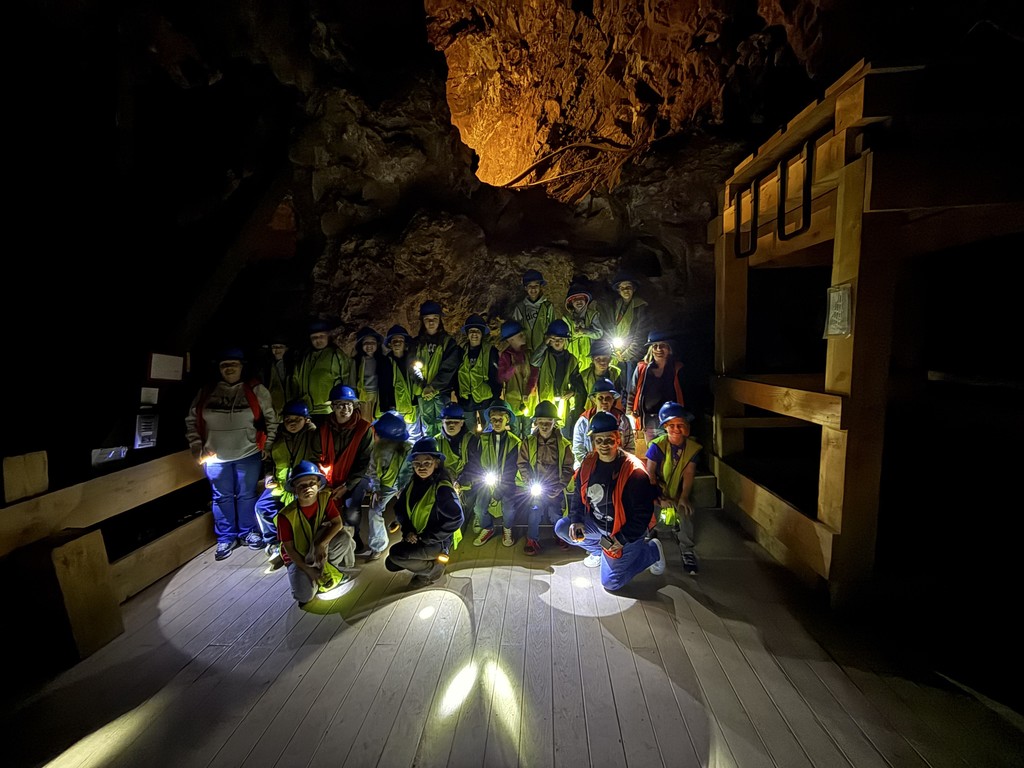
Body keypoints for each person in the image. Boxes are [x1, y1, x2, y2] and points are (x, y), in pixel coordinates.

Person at [554, 411, 666, 591]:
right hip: (598, 524)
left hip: (624, 530)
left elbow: (643, 515)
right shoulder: (589, 463)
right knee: (562, 528)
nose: (604, 445)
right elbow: (578, 495)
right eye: (599, 440)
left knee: (611, 582)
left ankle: (651, 551)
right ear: (593, 442)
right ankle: (600, 552)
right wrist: (576, 520)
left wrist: (621, 539)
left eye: (609, 439)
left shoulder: (634, 472)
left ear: (618, 439)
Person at [185, 346, 278, 561]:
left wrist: (269, 445)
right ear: (218, 368)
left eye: (233, 364)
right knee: (221, 497)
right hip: (214, 455)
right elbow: (191, 420)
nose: (229, 368)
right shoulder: (207, 391)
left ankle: (248, 532)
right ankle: (226, 537)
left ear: (241, 366)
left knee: (247, 495)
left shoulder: (254, 389)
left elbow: (272, 418)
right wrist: (197, 448)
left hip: (248, 452)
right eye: (224, 365)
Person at [384, 437, 464, 587]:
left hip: (436, 541)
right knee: (391, 563)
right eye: (417, 464)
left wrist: (428, 538)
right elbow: (400, 508)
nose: (422, 467)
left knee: (396, 554)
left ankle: (434, 570)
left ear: (436, 463)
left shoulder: (442, 488)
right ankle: (426, 562)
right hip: (417, 536)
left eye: (427, 463)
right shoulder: (413, 482)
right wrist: (408, 531)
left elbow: (457, 518)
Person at [275, 461, 355, 606]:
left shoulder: (324, 499)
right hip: (298, 557)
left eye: (312, 483)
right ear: (294, 489)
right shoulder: (285, 516)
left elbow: (338, 523)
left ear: (318, 485)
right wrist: (307, 570)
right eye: (302, 486)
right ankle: (316, 573)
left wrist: (321, 544)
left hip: (317, 547)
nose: (308, 488)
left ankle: (327, 566)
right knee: (304, 596)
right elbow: (289, 549)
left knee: (344, 537)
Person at [254, 399, 320, 562]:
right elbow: (269, 461)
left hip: (302, 484)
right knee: (262, 507)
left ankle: (300, 544)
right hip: (281, 484)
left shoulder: (313, 435)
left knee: (298, 512)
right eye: (288, 419)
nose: (292, 423)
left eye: (297, 419)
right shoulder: (276, 437)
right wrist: (269, 476)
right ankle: (274, 542)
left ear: (306, 419)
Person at [646, 402, 703, 575]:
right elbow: (650, 474)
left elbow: (688, 473)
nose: (676, 429)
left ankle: (687, 550)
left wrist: (684, 496)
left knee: (685, 509)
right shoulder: (657, 446)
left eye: (680, 425)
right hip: (657, 489)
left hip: (677, 490)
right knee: (646, 505)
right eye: (671, 425)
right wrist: (659, 497)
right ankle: (648, 538)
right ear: (665, 427)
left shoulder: (691, 448)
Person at [317, 383, 374, 555]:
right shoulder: (323, 427)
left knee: (351, 508)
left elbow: (365, 462)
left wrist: (347, 485)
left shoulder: (364, 429)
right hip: (329, 475)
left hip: (357, 476)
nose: (345, 408)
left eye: (349, 404)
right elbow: (316, 453)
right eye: (340, 404)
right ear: (333, 407)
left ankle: (353, 537)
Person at [516, 400, 574, 555]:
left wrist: (560, 486)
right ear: (536, 422)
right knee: (534, 510)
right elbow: (522, 464)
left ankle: (560, 535)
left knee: (556, 512)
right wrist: (529, 481)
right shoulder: (528, 442)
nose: (545, 425)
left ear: (555, 422)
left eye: (548, 421)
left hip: (556, 487)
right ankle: (532, 539)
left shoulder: (564, 444)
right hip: (536, 487)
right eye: (541, 422)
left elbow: (568, 467)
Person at [468, 400, 522, 547]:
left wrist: (500, 488)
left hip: (507, 484)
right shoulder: (483, 440)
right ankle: (488, 527)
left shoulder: (515, 442)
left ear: (507, 420)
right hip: (487, 482)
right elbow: (477, 461)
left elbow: (513, 468)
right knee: (479, 507)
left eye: (500, 419)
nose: (497, 423)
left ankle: (507, 528)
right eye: (493, 420)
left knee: (509, 509)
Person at [363, 410, 415, 560]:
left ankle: (409, 537)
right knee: (373, 511)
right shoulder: (377, 451)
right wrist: (376, 490)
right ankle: (378, 545)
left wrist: (405, 489)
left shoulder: (408, 450)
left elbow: (411, 472)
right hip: (384, 486)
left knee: (410, 509)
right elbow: (373, 472)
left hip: (404, 485)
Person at [410, 300, 460, 441]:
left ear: (440, 320)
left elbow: (449, 366)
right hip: (423, 392)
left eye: (434, 319)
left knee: (442, 423)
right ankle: (428, 452)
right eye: (427, 319)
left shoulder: (448, 342)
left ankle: (441, 455)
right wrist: (424, 386)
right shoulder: (416, 343)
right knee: (427, 425)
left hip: (440, 392)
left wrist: (433, 387)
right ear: (422, 321)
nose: (431, 322)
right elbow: (412, 366)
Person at [627, 331, 686, 445]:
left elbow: (684, 393)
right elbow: (632, 392)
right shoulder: (642, 368)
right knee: (652, 452)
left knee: (670, 452)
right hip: (648, 420)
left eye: (662, 345)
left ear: (669, 349)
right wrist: (630, 415)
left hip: (670, 421)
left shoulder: (676, 368)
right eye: (655, 346)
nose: (658, 349)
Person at [294, 319, 355, 427]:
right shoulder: (305, 357)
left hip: (328, 410)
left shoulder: (336, 355)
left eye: (321, 336)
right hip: (307, 409)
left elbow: (347, 378)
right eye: (314, 337)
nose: (318, 340)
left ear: (328, 337)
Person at [432, 402, 481, 523]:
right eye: (448, 422)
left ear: (462, 422)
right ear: (442, 422)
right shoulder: (436, 441)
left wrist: (459, 481)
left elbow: (474, 465)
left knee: (464, 511)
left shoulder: (471, 440)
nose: (451, 425)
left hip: (467, 484)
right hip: (445, 484)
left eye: (455, 422)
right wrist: (448, 481)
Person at [571, 377, 635, 469]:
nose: (604, 401)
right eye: (600, 398)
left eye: (608, 398)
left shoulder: (622, 420)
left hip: (617, 466)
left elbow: (630, 446)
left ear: (613, 399)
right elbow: (578, 450)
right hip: (588, 467)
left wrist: (623, 466)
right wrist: (590, 467)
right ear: (594, 399)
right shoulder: (583, 421)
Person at [530, 318, 580, 432]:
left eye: (561, 339)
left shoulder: (571, 359)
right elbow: (533, 361)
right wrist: (544, 344)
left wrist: (573, 391)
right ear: (549, 340)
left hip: (563, 401)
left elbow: (576, 380)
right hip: (545, 402)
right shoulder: (544, 356)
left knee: (563, 432)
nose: (557, 342)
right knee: (545, 431)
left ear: (566, 340)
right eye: (554, 339)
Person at [454, 313, 500, 433]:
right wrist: (459, 395)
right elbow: (455, 374)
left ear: (482, 333)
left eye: (477, 331)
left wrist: (495, 397)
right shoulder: (460, 350)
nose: (474, 334)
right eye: (471, 331)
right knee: (470, 433)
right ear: (467, 333)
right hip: (466, 400)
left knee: (488, 432)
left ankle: (488, 451)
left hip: (486, 399)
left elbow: (496, 375)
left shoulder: (491, 351)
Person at [496, 320, 538, 439]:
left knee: (527, 431)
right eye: (520, 335)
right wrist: (513, 368)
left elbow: (534, 374)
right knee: (514, 431)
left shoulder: (529, 353)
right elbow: (501, 377)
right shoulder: (506, 356)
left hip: (529, 400)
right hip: (513, 401)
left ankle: (526, 454)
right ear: (510, 339)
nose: (524, 336)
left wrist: (528, 391)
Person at [607, 272, 649, 388]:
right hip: (619, 353)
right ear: (618, 290)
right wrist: (616, 351)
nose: (626, 290)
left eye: (628, 287)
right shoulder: (617, 305)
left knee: (631, 385)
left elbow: (640, 333)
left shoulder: (640, 306)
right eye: (622, 288)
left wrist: (627, 354)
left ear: (634, 289)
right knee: (620, 384)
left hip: (633, 355)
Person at [510, 268, 556, 356]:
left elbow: (552, 328)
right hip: (525, 351)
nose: (533, 289)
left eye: (536, 285)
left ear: (540, 287)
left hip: (543, 350)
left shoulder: (547, 306)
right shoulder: (520, 307)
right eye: (530, 286)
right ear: (525, 288)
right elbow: (516, 331)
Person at [562, 278, 604, 372]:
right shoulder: (567, 319)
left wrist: (584, 332)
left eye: (581, 299)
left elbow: (599, 333)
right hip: (572, 356)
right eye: (575, 300)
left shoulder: (592, 315)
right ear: (571, 303)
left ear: (586, 300)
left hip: (589, 355)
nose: (579, 302)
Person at [379, 324, 417, 427]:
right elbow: (383, 387)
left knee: (412, 438)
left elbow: (418, 380)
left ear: (405, 343)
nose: (397, 343)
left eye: (400, 340)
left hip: (412, 408)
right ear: (390, 344)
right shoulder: (385, 362)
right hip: (394, 408)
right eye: (394, 341)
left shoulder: (412, 360)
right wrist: (387, 407)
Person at [258, 331, 297, 416]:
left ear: (286, 348)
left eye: (280, 347)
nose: (277, 349)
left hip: (291, 408)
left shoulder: (292, 365)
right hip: (273, 409)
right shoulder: (266, 366)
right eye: (274, 347)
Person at [353, 326, 386, 422]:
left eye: (372, 342)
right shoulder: (357, 361)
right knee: (365, 422)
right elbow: (352, 380)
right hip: (363, 397)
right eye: (366, 343)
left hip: (377, 396)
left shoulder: (382, 360)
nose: (369, 345)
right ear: (361, 345)